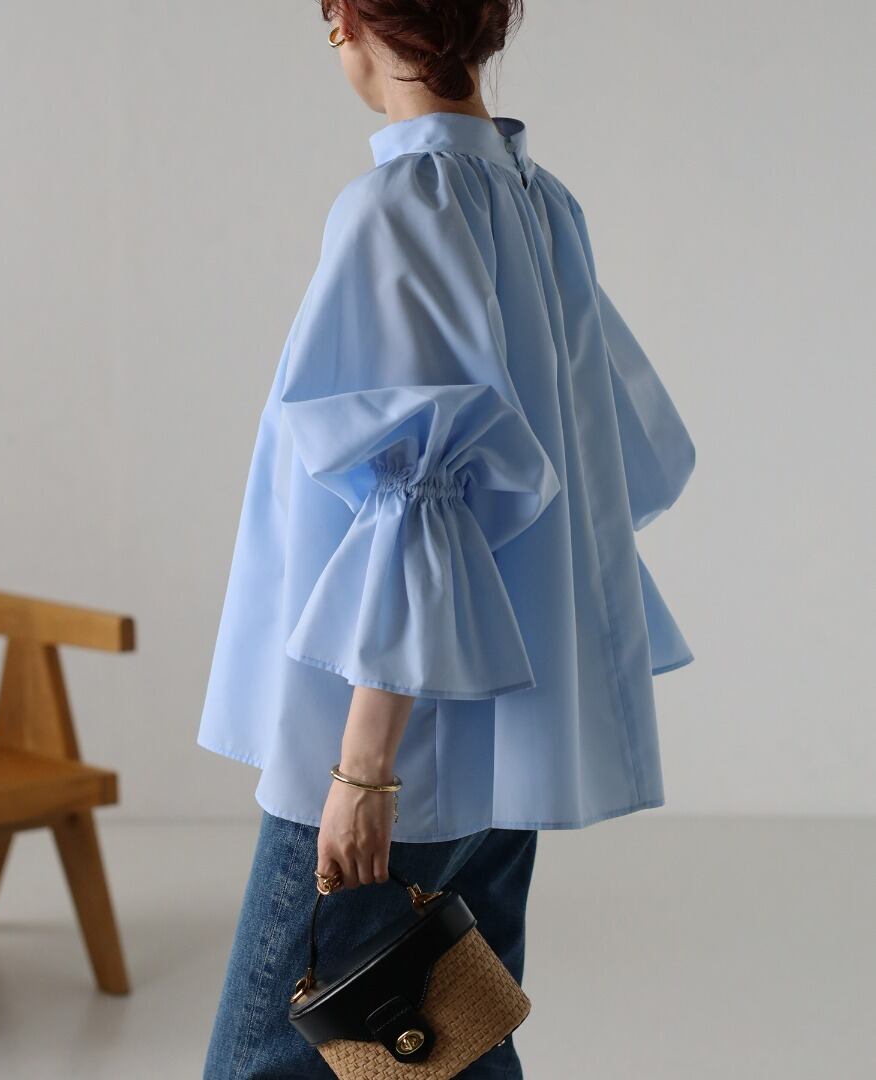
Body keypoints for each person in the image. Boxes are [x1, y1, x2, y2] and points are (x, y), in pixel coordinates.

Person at [198, 1, 696, 1076]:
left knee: (262, 1060)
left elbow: (421, 492)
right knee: (447, 1047)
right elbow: (603, 457)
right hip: (500, 740)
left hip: (389, 744)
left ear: (346, 19)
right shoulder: (540, 205)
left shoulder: (401, 206)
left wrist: (363, 772)